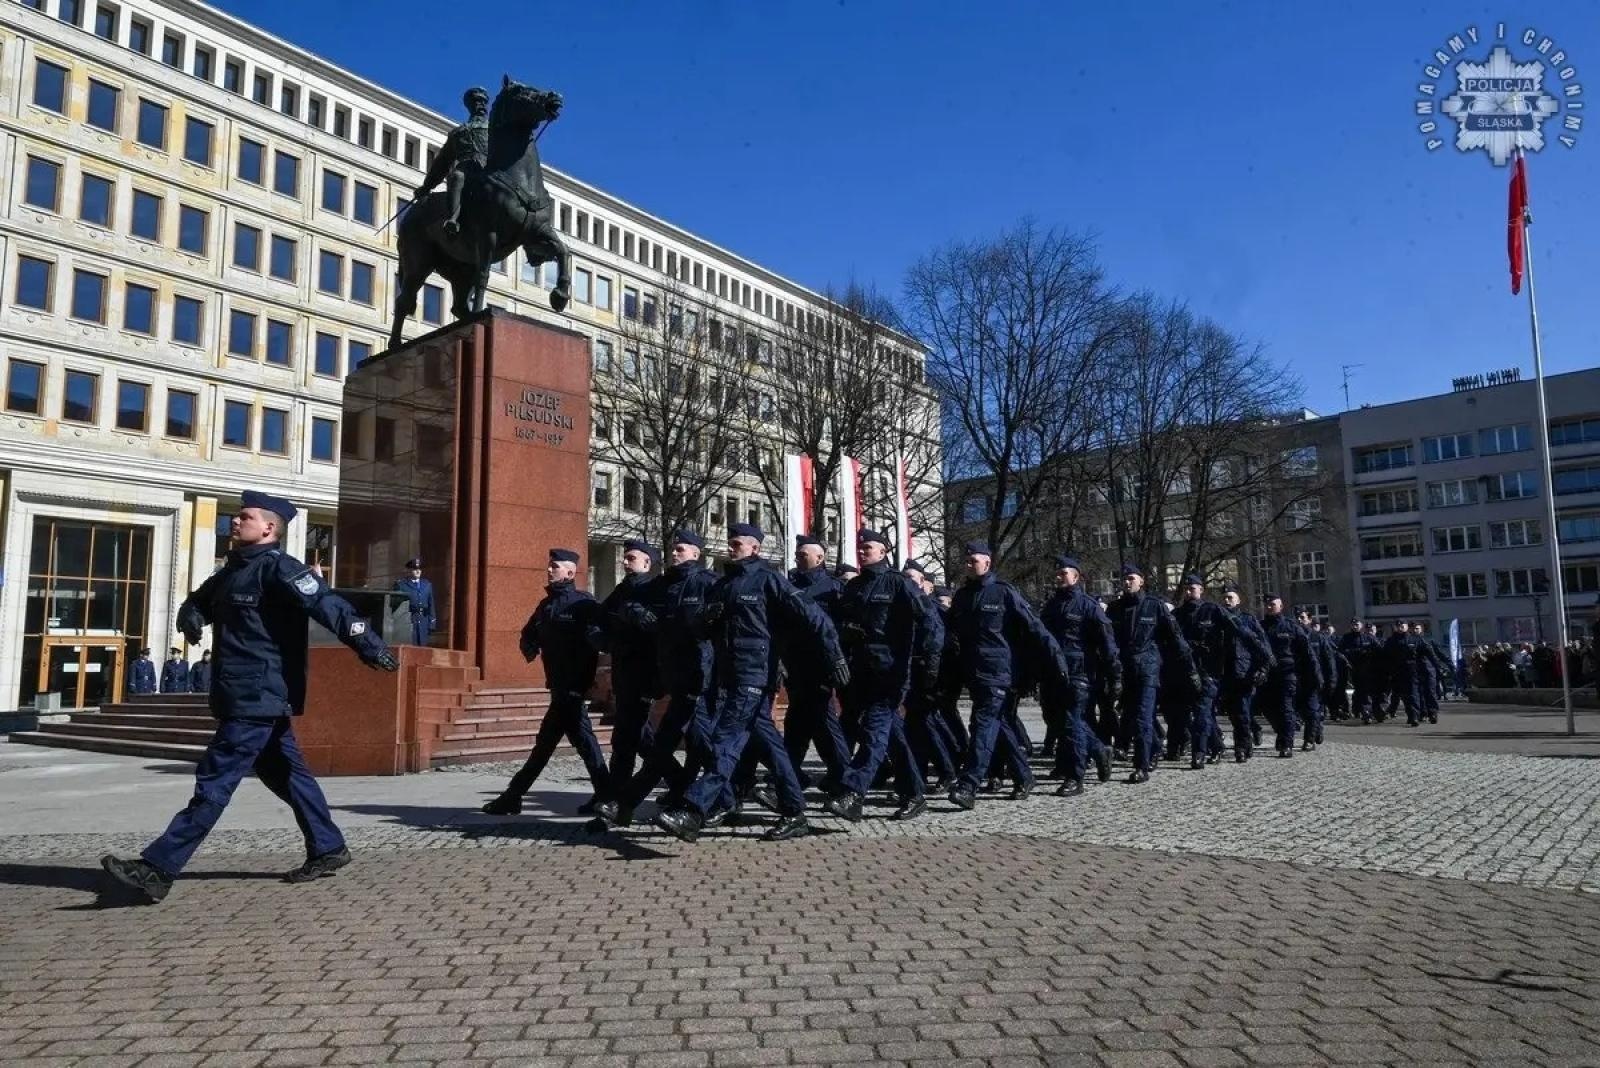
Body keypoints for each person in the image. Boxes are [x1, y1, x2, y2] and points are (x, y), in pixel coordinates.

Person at [100, 491, 399, 904]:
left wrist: (370, 646)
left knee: (214, 781)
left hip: (259, 695)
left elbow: (329, 605)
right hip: (239, 694)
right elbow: (198, 601)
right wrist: (191, 616)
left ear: (269, 528)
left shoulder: (281, 569)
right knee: (288, 777)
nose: (234, 523)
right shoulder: (232, 570)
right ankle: (328, 847)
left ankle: (157, 867)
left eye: (244, 517)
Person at [654, 523, 847, 843]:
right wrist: (706, 618)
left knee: (725, 739)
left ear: (754, 548)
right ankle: (795, 812)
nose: (731, 547)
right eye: (729, 543)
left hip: (755, 675)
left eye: (737, 543)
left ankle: (693, 810)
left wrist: (835, 656)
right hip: (729, 676)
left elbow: (814, 616)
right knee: (772, 748)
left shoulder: (769, 580)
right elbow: (698, 630)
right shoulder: (724, 584)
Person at [593, 530, 717, 830]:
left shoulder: (706, 583)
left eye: (680, 549)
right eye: (673, 549)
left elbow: (714, 632)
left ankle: (717, 798)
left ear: (696, 554)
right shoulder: (664, 586)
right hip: (673, 677)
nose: (675, 553)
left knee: (705, 747)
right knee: (655, 745)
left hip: (692, 678)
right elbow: (614, 614)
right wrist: (631, 613)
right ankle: (622, 804)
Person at [482, 548, 613, 815]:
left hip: (573, 687)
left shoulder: (583, 604)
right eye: (549, 566)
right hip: (558, 685)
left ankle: (513, 795)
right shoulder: (547, 605)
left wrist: (584, 681)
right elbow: (530, 632)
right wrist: (529, 645)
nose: (549, 570)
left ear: (570, 571)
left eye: (555, 566)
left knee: (550, 745)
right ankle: (606, 794)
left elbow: (597, 640)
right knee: (578, 743)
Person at [825, 530, 940, 822]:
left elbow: (929, 620)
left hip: (891, 672)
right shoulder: (855, 587)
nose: (862, 552)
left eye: (868, 548)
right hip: (862, 672)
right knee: (891, 735)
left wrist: (929, 661)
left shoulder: (899, 584)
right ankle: (914, 794)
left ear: (884, 551)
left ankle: (853, 792)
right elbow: (841, 625)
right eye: (860, 547)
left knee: (875, 731)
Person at [945, 542, 1061, 808]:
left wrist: (1056, 660)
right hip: (973, 672)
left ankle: (968, 784)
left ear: (987, 562)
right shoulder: (962, 596)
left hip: (999, 672)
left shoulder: (1004, 593)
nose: (969, 565)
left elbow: (1034, 628)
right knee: (997, 724)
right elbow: (949, 630)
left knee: (983, 725)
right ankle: (1024, 775)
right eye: (966, 561)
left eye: (974, 560)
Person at [1109, 564, 1197, 783]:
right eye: (1124, 578)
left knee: (1142, 718)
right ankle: (1154, 748)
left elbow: (1177, 639)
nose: (1127, 582)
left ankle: (1141, 766)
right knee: (1129, 718)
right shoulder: (1115, 609)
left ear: (1141, 581)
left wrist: (1191, 670)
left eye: (1131, 578)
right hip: (1125, 671)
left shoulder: (1154, 606)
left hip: (1148, 669)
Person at [1038, 553, 1118, 794]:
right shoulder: (1052, 606)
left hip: (1078, 673)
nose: (1059, 577)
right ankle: (1099, 750)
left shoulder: (1088, 606)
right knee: (1057, 722)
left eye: (1064, 574)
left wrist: (1114, 674)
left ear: (1076, 576)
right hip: (1053, 672)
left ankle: (1076, 777)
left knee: (1072, 722)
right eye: (1057, 574)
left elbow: (1107, 642)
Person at [596, 539, 661, 805]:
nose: (624, 562)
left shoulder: (655, 590)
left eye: (631, 558)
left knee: (625, 735)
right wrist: (603, 640)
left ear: (647, 563)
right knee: (634, 735)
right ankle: (676, 779)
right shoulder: (621, 590)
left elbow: (658, 630)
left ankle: (616, 796)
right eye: (624, 557)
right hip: (623, 672)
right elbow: (600, 620)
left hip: (644, 672)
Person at [414, 87, 490, 237]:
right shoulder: (458, 133)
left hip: (490, 170)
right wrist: (427, 186)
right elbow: (442, 163)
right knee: (456, 176)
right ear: (470, 106)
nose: (481, 105)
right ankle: (453, 219)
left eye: (483, 102)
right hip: (466, 170)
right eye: (477, 101)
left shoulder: (494, 129)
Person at [1216, 585, 1270, 762]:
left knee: (1242, 712)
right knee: (1233, 713)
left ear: (1238, 600)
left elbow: (1262, 646)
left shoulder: (1248, 620)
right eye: (1224, 597)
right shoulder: (1217, 620)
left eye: (1230, 597)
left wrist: (1262, 668)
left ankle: (1242, 746)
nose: (1226, 601)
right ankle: (1244, 743)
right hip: (1224, 673)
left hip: (1244, 673)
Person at [1258, 595, 1315, 758]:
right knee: (1267, 708)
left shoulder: (1291, 626)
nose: (1269, 607)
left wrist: (1311, 675)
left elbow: (1306, 652)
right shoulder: (1261, 627)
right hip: (1268, 674)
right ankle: (1283, 731)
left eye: (1273, 604)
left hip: (1287, 674)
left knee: (1286, 707)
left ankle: (1286, 743)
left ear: (1281, 606)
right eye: (1267, 605)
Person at [393, 558, 436, 646]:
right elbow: (395, 604)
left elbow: (431, 605)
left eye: (419, 569)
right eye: (415, 569)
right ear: (409, 570)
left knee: (423, 650)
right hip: (408, 621)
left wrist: (432, 623)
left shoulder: (427, 585)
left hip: (423, 622)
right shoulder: (401, 585)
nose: (418, 571)